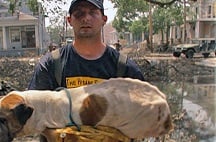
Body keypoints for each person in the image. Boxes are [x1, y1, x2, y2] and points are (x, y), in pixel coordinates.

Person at [28, 0, 144, 141]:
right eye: (79, 13)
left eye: (93, 12)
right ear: (69, 20)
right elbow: (33, 114)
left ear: (104, 19)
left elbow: (142, 118)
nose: (86, 18)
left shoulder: (125, 69)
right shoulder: (51, 65)